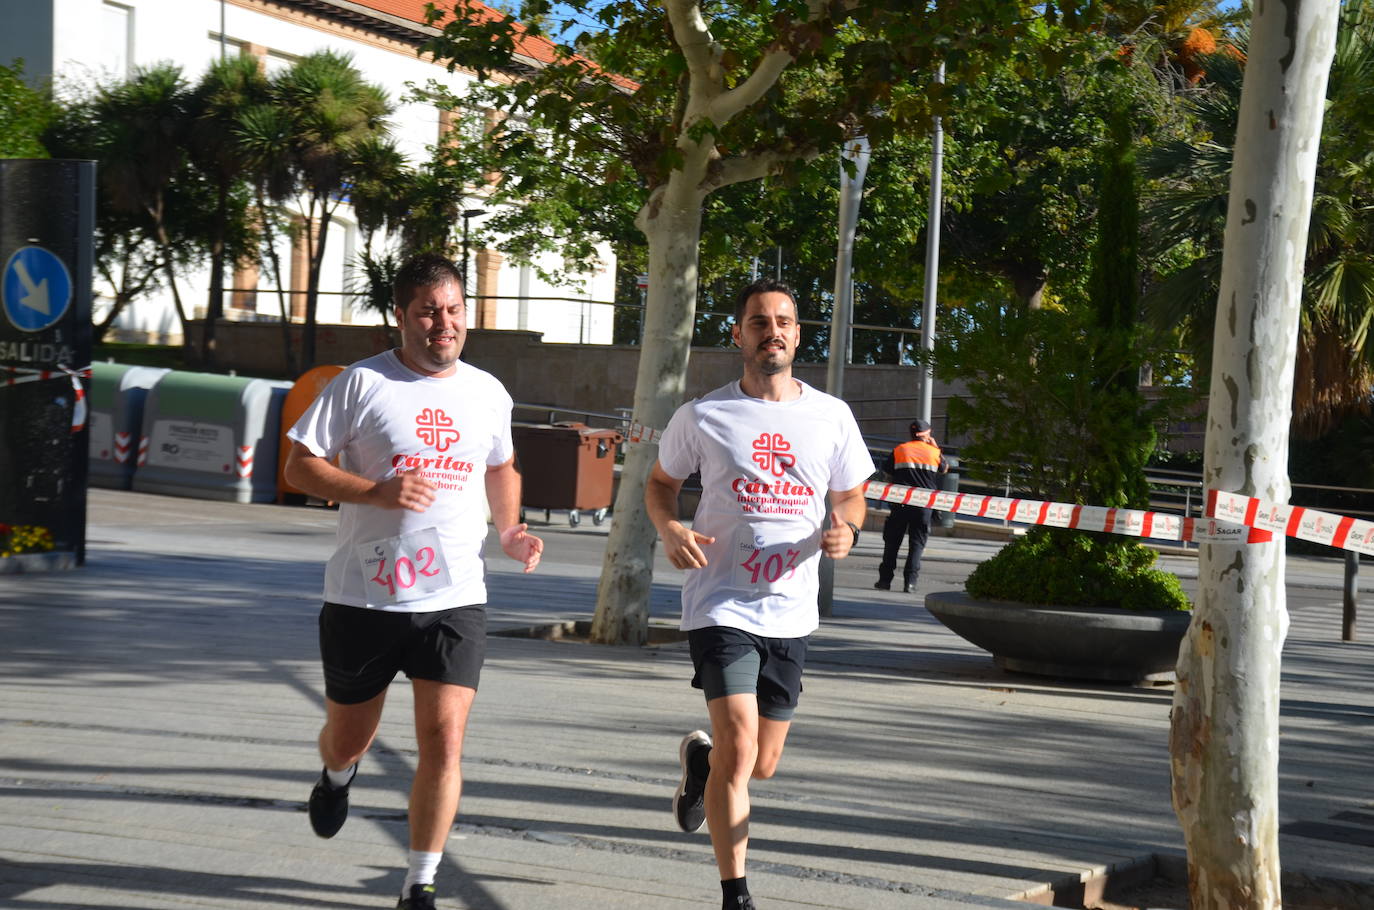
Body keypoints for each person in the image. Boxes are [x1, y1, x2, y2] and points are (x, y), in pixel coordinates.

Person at [283, 253, 543, 910]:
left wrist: (510, 530)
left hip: (454, 597)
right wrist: (376, 490)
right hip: (363, 598)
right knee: (351, 734)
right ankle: (337, 775)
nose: (443, 323)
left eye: (454, 310)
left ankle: (418, 883)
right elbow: (299, 468)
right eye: (428, 311)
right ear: (401, 317)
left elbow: (502, 467)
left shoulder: (486, 391)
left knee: (445, 738)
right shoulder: (360, 384)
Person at [645, 278, 875, 910]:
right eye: (758, 321)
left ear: (798, 334)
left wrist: (847, 528)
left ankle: (703, 764)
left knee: (759, 763)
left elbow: (852, 494)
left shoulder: (831, 416)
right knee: (742, 745)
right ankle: (735, 893)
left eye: (783, 320)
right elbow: (660, 484)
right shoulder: (704, 415)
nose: (771, 330)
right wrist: (670, 528)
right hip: (720, 601)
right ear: (739, 334)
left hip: (791, 608)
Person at [874, 418, 948, 594]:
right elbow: (944, 469)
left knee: (892, 543)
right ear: (927, 435)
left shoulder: (900, 450)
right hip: (924, 505)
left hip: (900, 503)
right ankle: (910, 583)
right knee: (917, 544)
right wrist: (936, 447)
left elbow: (887, 473)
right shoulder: (933, 453)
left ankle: (885, 581)